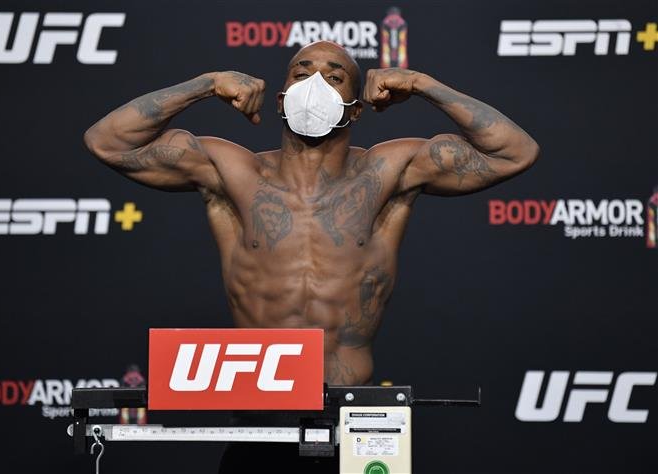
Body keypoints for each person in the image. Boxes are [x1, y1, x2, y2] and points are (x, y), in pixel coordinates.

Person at [83, 40, 539, 472]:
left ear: (355, 108)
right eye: (301, 74)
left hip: (354, 417)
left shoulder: (387, 171)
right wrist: (207, 84)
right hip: (259, 417)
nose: (315, 83)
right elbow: (108, 141)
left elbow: (514, 152)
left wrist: (421, 83)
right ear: (281, 100)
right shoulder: (233, 171)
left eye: (334, 77)